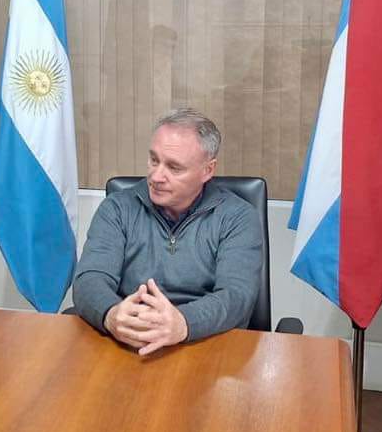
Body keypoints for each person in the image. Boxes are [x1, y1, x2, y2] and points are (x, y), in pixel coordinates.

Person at [72, 109, 262, 356]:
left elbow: (237, 296)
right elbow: (89, 279)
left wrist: (183, 322)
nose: (156, 176)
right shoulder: (118, 208)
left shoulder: (238, 217)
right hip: (128, 343)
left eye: (174, 167)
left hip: (206, 346)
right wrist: (111, 313)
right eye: (154, 160)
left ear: (207, 170)